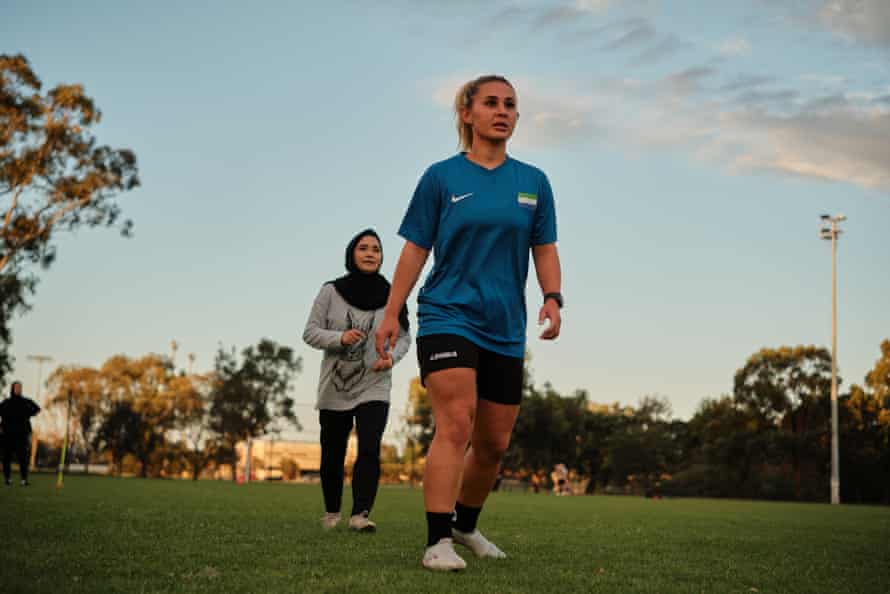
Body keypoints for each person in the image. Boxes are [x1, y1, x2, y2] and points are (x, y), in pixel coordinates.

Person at [375, 74, 563, 571]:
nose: (502, 111)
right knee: (457, 422)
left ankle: (465, 524)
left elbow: (544, 249)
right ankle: (437, 540)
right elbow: (415, 249)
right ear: (467, 113)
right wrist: (392, 311)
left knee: (494, 443)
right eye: (491, 103)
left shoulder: (534, 182)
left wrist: (553, 297)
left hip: (504, 324)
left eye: (511, 105)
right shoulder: (441, 177)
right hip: (447, 313)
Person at [303, 229, 411, 532]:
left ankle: (360, 515)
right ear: (352, 253)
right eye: (363, 248)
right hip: (335, 385)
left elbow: (404, 339)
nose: (369, 253)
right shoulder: (330, 291)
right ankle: (332, 513)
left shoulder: (393, 295)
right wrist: (340, 337)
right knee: (333, 451)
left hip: (375, 384)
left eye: (375, 249)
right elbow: (310, 332)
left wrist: (391, 358)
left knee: (369, 448)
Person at [0, 381, 41, 486]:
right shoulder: (6, 402)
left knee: (23, 458)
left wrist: (28, 414)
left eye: (20, 387)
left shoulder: (26, 401)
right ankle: (8, 479)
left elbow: (37, 409)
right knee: (7, 458)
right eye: (16, 387)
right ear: (12, 389)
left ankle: (24, 479)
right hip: (8, 434)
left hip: (22, 434)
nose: (18, 389)